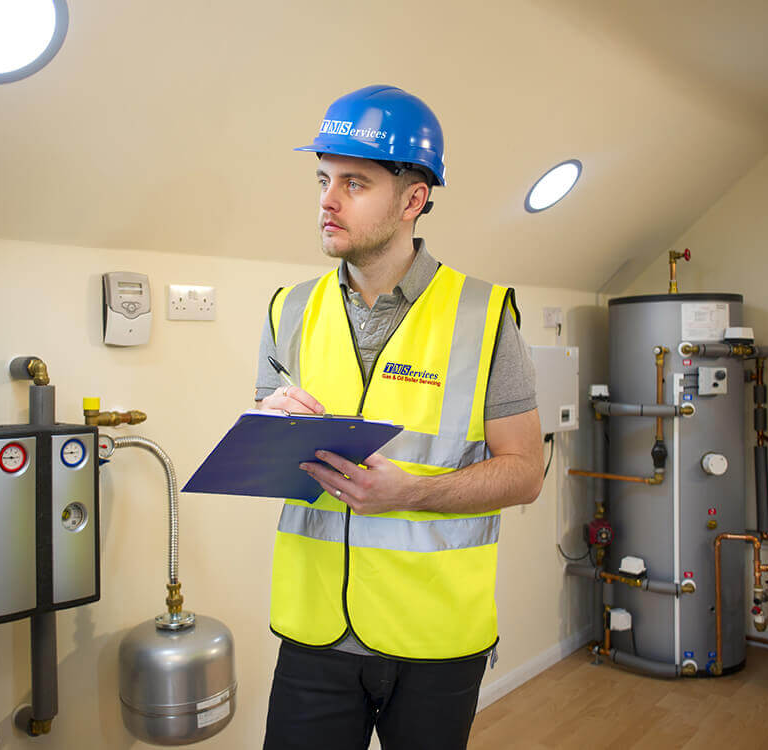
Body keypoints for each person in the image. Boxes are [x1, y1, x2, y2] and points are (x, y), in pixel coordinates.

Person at [253, 85, 544, 750]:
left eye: (354, 183)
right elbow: (272, 463)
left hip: (435, 637)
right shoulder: (287, 309)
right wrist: (265, 424)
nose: (327, 200)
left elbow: (525, 473)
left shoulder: (484, 316)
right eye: (324, 179)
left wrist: (412, 492)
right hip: (312, 629)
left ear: (414, 199)